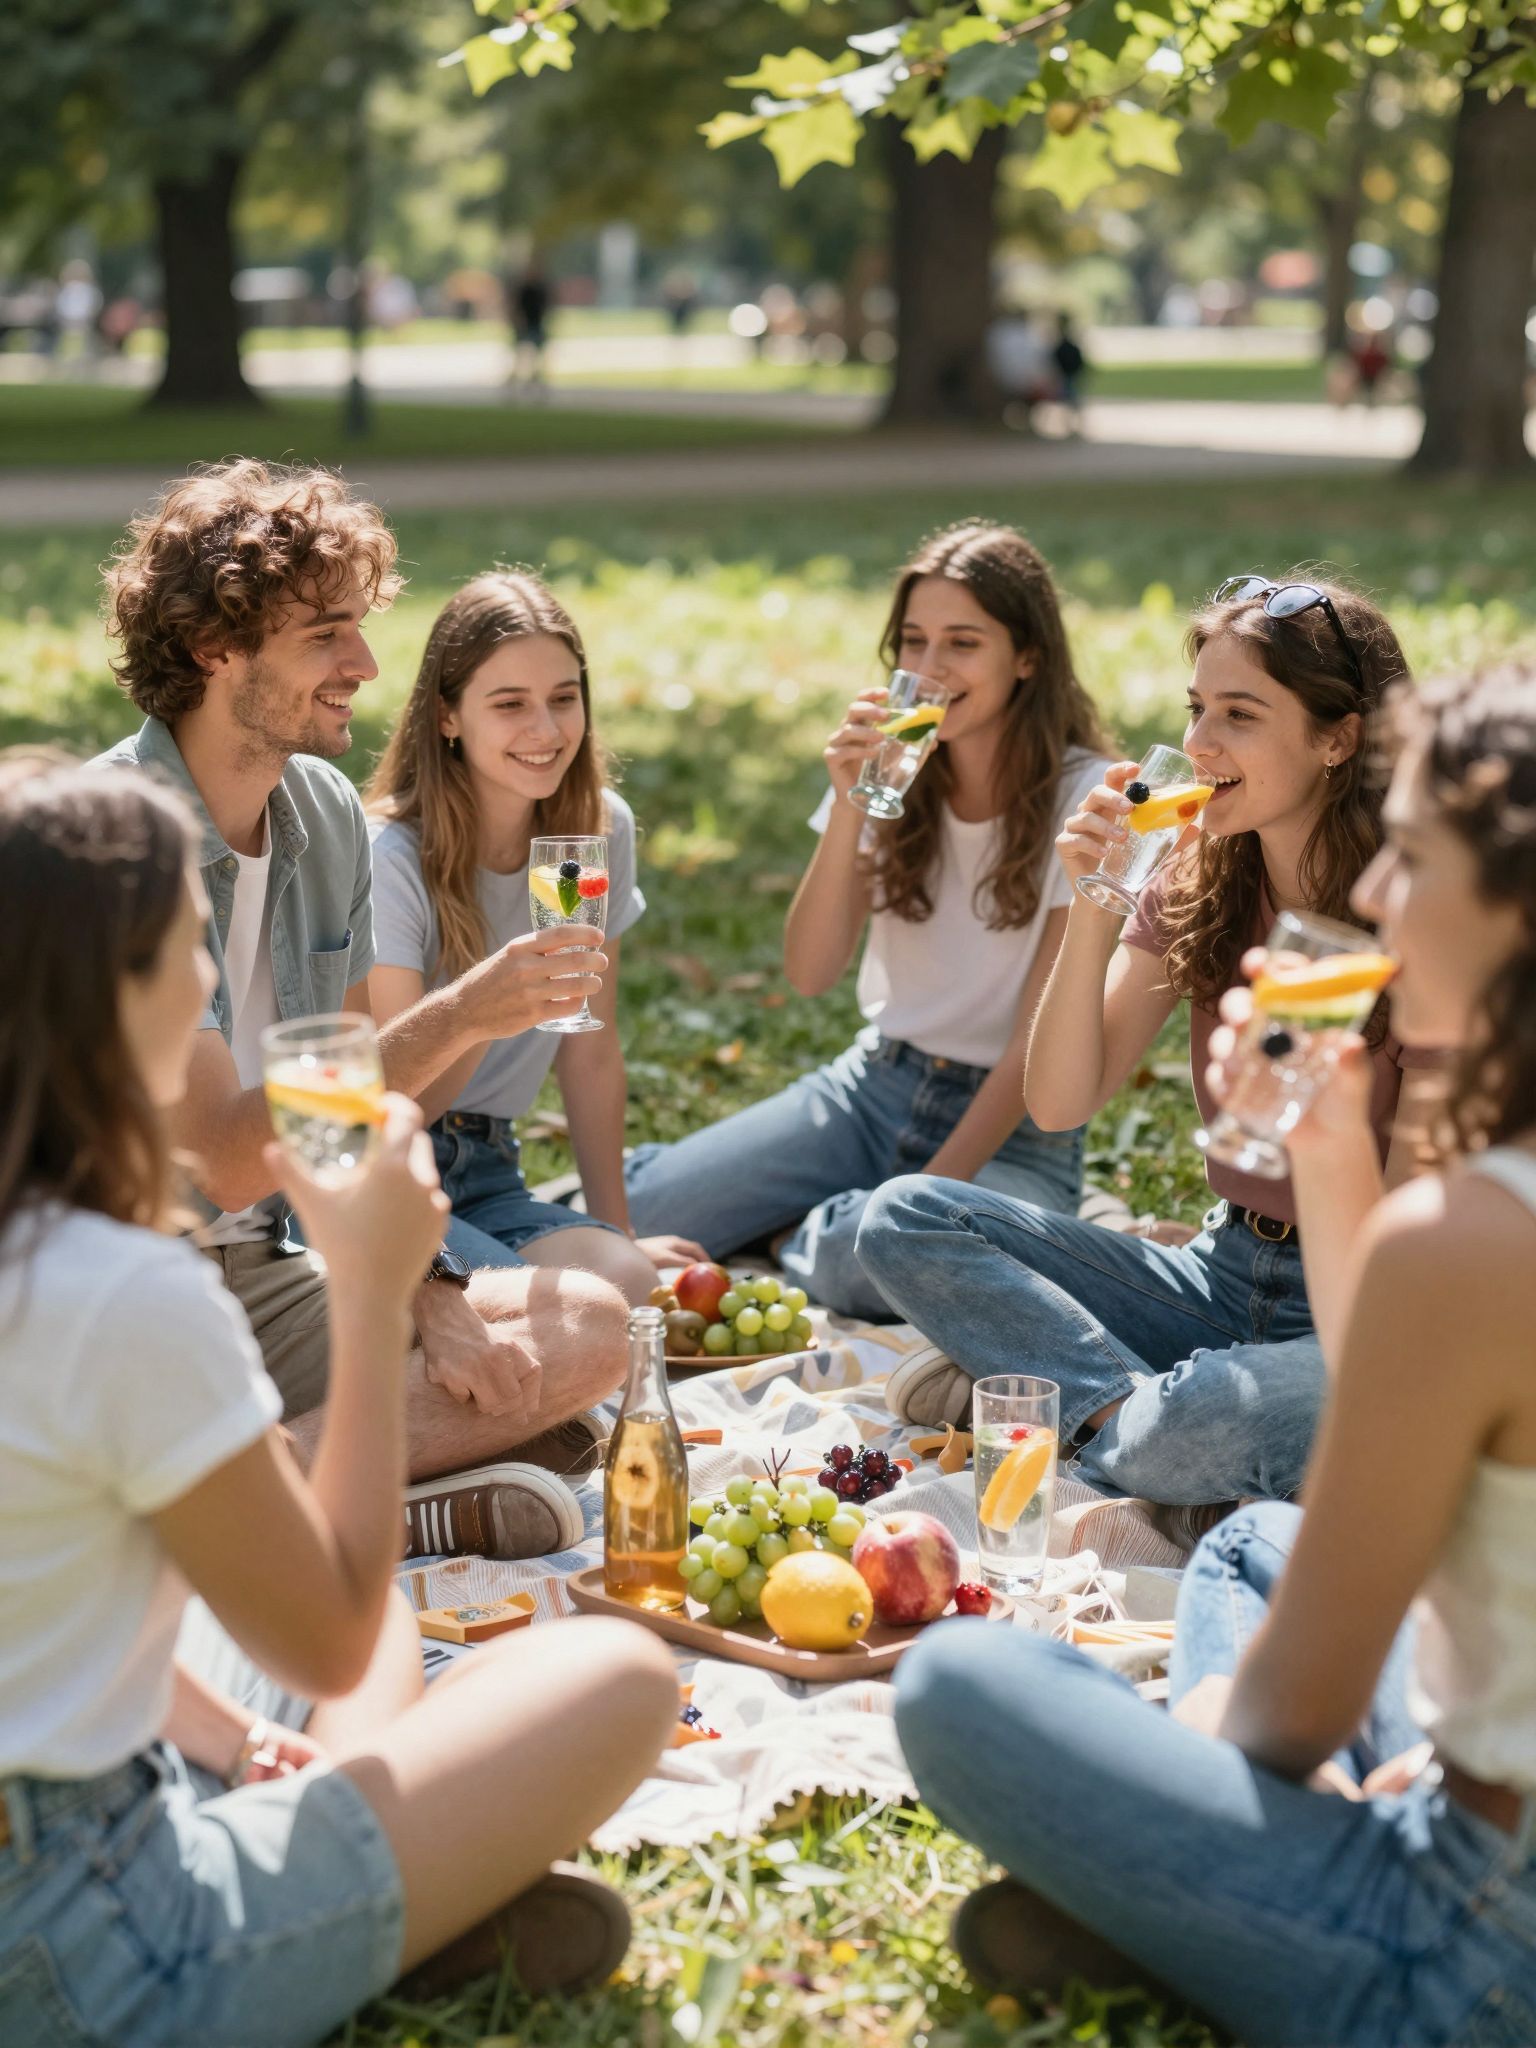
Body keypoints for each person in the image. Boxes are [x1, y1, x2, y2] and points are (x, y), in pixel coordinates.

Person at [894, 660, 1536, 2048]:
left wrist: (1196, 1773)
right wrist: (1323, 1141)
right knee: (1247, 1542)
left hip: (1470, 1948)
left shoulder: (1472, 1237)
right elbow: (1421, 1426)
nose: (1372, 899)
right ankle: (1202, 1904)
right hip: (1484, 1766)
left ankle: (1197, 1909)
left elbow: (1289, 1723)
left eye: (1412, 859)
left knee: (960, 1685)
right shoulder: (1480, 1206)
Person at [0, 756, 678, 2048]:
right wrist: (370, 1297)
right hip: (95, 1938)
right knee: (616, 1677)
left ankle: (366, 1875)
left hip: (71, 1789)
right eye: (190, 955)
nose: (212, 990)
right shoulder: (123, 1289)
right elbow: (319, 1631)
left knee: (355, 1621)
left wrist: (232, 1745)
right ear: (110, 996)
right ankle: (402, 1921)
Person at [95, 459, 629, 1561]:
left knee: (588, 1328)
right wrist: (467, 1011)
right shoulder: (120, 840)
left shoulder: (324, 812)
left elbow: (336, 1120)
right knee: (521, 1396)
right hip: (124, 1298)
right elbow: (231, 1159)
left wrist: (429, 1288)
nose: (366, 665)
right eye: (327, 634)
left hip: (271, 1268)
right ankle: (286, 1505)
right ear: (217, 648)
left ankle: (281, 1493)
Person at [860, 574, 1426, 1520]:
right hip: (1221, 1270)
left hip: (1364, 1305)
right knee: (904, 1217)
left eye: (1240, 715)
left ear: (1339, 737)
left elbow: (1404, 1252)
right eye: (1198, 709)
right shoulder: (1199, 874)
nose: (1199, 746)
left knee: (1199, 1419)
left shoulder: (1419, 917)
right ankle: (1145, 1431)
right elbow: (1060, 1103)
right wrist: (1098, 899)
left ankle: (1086, 1412)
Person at [625, 521, 1115, 1319]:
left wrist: (926, 1201)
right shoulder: (888, 767)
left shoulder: (1084, 799)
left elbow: (1032, 1049)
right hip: (875, 1088)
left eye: (962, 643)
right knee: (640, 1217)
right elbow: (811, 970)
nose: (928, 670)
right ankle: (836, 1215)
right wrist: (852, 804)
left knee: (893, 1260)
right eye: (912, 643)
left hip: (1012, 1128)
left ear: (1027, 658)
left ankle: (806, 1230)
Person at [365, 570, 707, 1304]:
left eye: (563, 699)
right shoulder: (393, 856)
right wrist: (481, 1012)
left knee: (625, 1286)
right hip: (385, 1173)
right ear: (448, 716)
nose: (546, 732)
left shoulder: (587, 834)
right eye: (510, 705)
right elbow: (399, 1103)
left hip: (487, 1167)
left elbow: (588, 1051)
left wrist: (617, 1231)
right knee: (546, 1321)